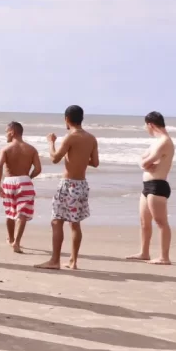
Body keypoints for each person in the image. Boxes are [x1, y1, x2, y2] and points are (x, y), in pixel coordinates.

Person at [36, 105, 99, 271]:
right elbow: (95, 163)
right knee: (75, 223)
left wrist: (51, 142)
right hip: (82, 184)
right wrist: (80, 157)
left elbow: (55, 158)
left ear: (67, 119)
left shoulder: (70, 137)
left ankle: (55, 260)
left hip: (68, 184)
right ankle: (73, 260)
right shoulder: (91, 138)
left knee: (57, 221)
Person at [127, 111, 175, 265]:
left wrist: (145, 163)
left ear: (150, 124)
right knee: (144, 221)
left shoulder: (164, 142)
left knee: (161, 222)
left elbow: (146, 161)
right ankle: (144, 252)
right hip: (147, 186)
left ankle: (164, 257)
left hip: (158, 186)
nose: (146, 129)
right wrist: (145, 163)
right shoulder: (155, 142)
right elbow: (142, 161)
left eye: (146, 126)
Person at [0, 121, 42, 253]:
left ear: (12, 132)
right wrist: (29, 178)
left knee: (10, 212)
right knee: (22, 213)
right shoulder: (31, 149)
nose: (5, 135)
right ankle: (17, 242)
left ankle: (10, 239)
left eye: (6, 132)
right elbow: (38, 169)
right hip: (25, 181)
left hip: (9, 181)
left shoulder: (6, 149)